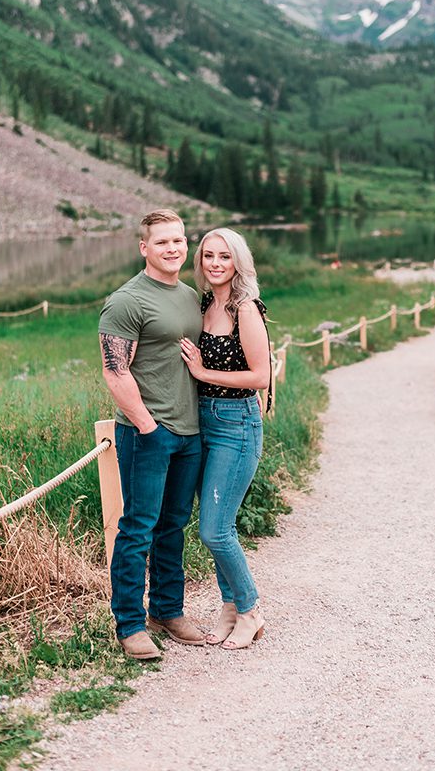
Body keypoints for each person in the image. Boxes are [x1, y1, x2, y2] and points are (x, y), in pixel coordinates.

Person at [99, 208, 205, 660]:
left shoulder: (189, 295)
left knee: (173, 526)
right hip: (148, 432)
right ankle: (129, 623)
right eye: (162, 242)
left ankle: (168, 609)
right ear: (144, 247)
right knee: (138, 528)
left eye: (179, 240)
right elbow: (114, 370)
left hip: (191, 430)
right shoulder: (126, 300)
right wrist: (147, 425)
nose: (173, 248)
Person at [180, 227, 270, 650]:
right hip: (203, 422)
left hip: (236, 422)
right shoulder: (203, 303)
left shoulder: (244, 308)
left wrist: (202, 373)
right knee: (219, 523)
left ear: (238, 262)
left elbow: (260, 376)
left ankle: (250, 610)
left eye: (224, 257)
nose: (215, 263)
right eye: (208, 256)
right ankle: (229, 607)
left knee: (215, 530)